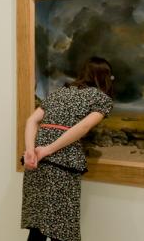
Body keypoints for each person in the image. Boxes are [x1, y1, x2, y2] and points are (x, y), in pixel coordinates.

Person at [21, 56, 115, 241]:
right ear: (105, 77)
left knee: (37, 228)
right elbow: (83, 128)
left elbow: (31, 120)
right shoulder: (101, 98)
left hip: (36, 163)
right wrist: (47, 150)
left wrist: (31, 150)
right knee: (62, 229)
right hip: (63, 163)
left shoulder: (59, 93)